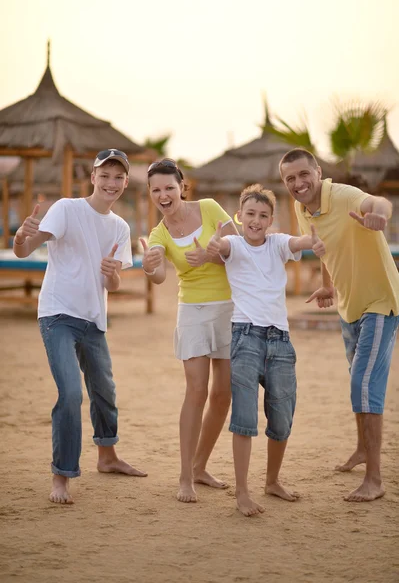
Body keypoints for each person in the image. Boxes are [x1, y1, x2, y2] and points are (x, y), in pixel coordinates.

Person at [13, 149, 147, 505]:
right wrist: (19, 236)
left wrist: (113, 274)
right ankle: (62, 476)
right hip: (57, 314)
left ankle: (108, 457)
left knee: (104, 390)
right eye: (105, 176)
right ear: (92, 177)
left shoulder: (120, 227)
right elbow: (27, 250)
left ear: (124, 182)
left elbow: (113, 286)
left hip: (94, 319)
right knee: (71, 393)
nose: (111, 183)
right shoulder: (67, 209)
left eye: (118, 178)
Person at [280, 148, 399, 502]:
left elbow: (378, 202)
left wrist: (379, 216)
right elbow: (322, 247)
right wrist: (328, 285)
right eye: (290, 179)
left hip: (380, 301)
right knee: (357, 381)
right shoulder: (303, 210)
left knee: (365, 384)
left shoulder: (345, 195)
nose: (298, 183)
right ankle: (363, 449)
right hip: (348, 307)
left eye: (304, 175)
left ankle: (374, 480)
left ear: (317, 171)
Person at [207, 183, 326, 516]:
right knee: (244, 416)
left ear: (271, 219)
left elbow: (297, 242)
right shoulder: (233, 243)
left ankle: (272, 481)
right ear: (240, 216)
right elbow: (221, 250)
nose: (256, 221)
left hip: (281, 340)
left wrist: (311, 241)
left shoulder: (276, 244)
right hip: (245, 337)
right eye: (250, 215)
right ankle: (242, 492)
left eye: (263, 216)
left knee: (282, 415)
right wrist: (215, 245)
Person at [141, 158, 238, 503]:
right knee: (197, 390)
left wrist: (211, 257)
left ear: (182, 186)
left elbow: (240, 249)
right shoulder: (159, 233)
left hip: (229, 307)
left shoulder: (210, 208)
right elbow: (159, 274)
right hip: (193, 311)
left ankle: (200, 466)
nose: (163, 195)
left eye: (169, 187)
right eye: (156, 190)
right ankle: (185, 478)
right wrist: (151, 267)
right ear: (150, 193)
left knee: (223, 395)